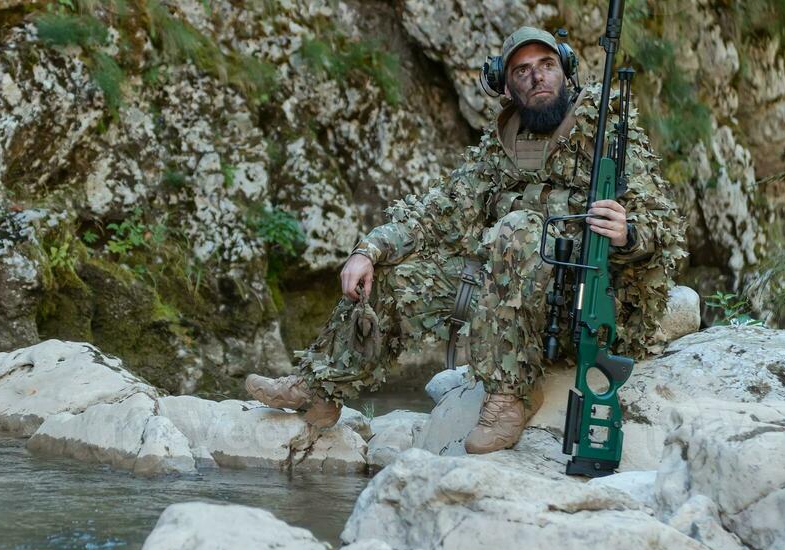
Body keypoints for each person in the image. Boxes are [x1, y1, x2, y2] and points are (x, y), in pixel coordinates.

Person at [246, 25, 688, 453]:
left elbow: (665, 234)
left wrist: (628, 234)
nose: (537, 76)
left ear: (566, 69)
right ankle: (321, 387)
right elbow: (436, 213)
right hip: (515, 305)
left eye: (547, 64)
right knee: (394, 277)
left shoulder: (609, 135)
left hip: (589, 307)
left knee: (518, 229)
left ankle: (509, 397)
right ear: (505, 86)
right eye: (521, 70)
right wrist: (368, 250)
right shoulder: (500, 151)